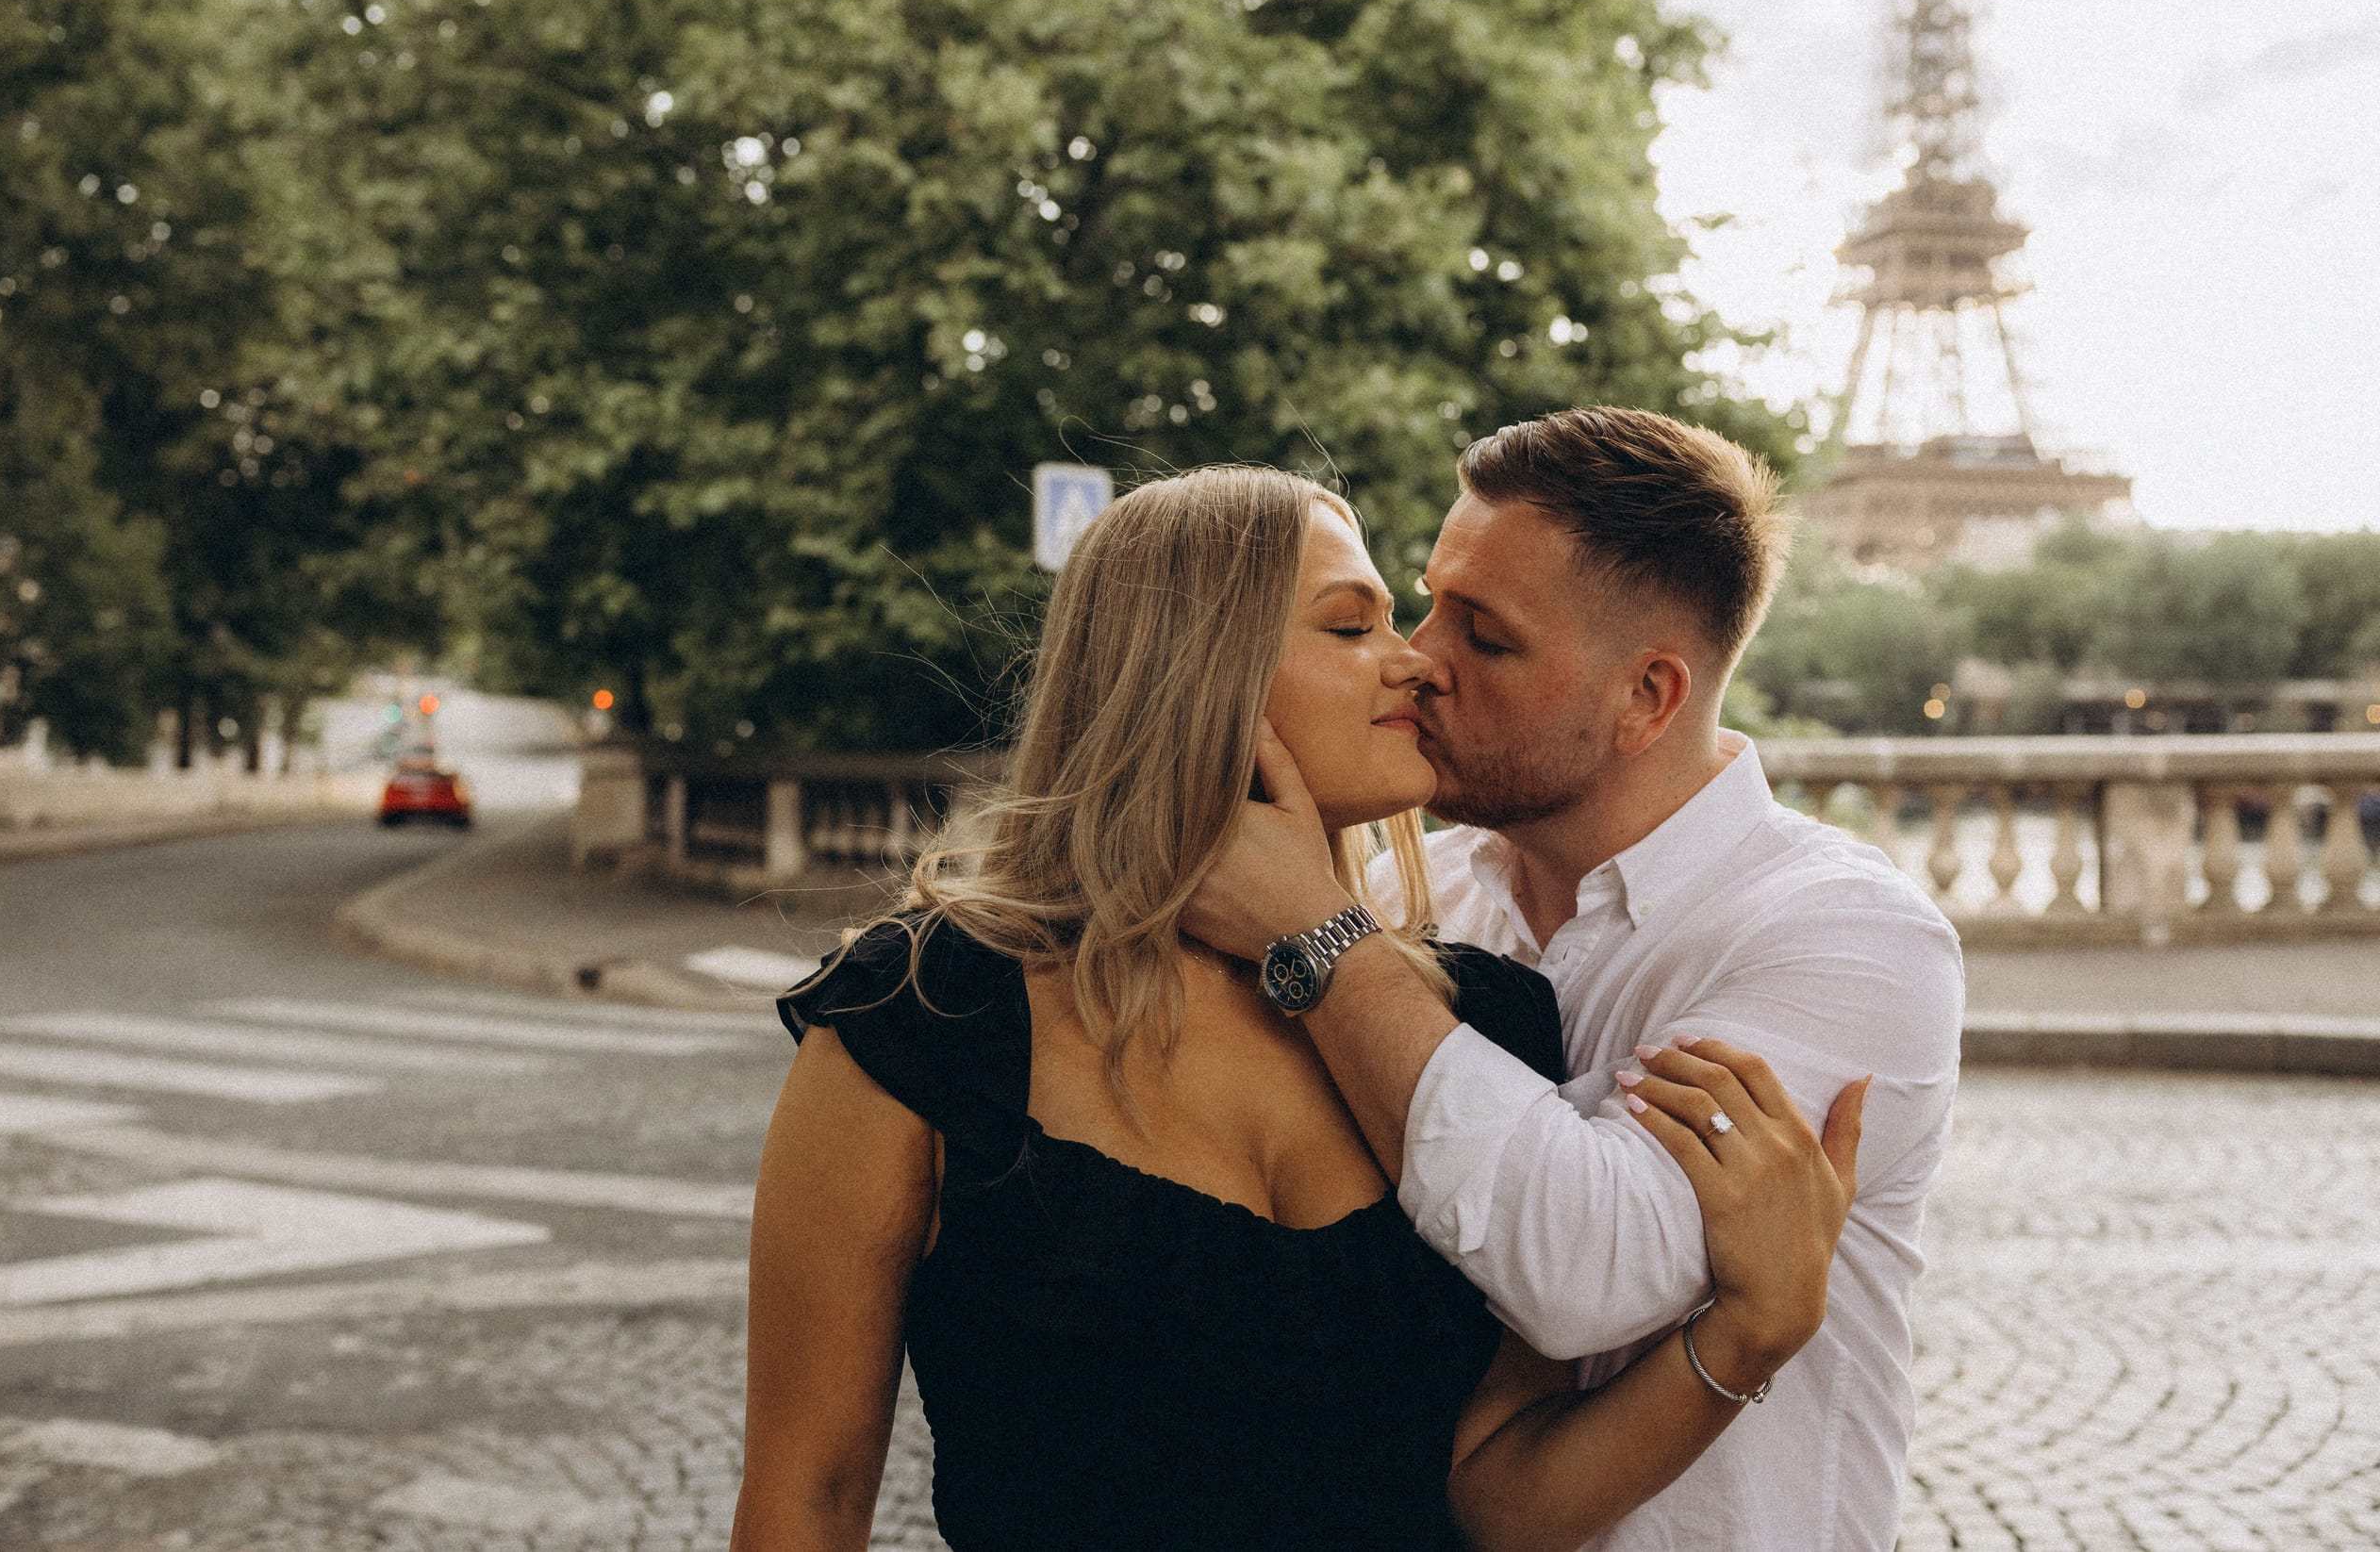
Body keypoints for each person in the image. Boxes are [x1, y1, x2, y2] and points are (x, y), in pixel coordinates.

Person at [730, 465, 1869, 1552]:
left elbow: (1503, 1510)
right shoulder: (924, 1008)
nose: (1417, 665)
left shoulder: (1486, 1021)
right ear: (1195, 670)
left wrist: (1744, 1335)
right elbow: (810, 1498)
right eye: (1352, 625)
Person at [1182, 409, 1966, 1551]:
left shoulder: (1845, 940)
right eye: (1428, 602)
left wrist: (1317, 935)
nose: (1418, 661)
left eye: (1486, 640)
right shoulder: (1415, 900)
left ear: (1646, 698)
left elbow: (1586, 1270)